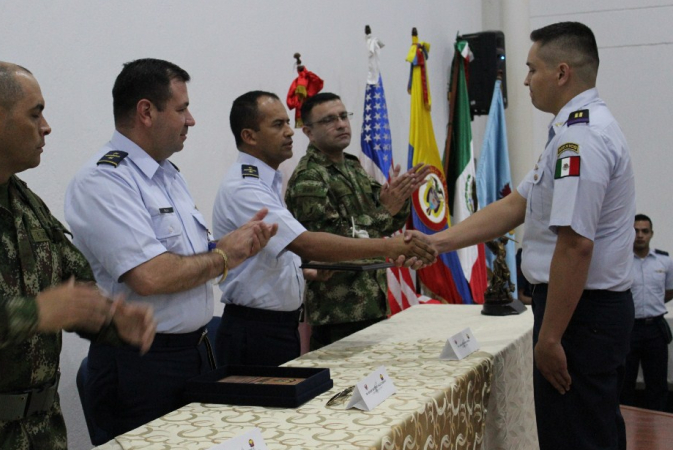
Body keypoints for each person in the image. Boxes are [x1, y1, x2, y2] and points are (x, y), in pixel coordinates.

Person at [0, 60, 156, 450]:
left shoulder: (28, 206)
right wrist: (36, 313)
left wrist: (114, 320)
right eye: (36, 113)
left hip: (42, 433)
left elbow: (73, 292)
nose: (46, 126)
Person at [426, 22, 635, 449]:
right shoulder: (569, 132)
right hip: (579, 310)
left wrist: (551, 336)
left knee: (578, 437)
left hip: (581, 315)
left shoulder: (581, 139)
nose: (524, 80)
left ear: (562, 73)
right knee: (585, 429)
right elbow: (514, 206)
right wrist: (438, 243)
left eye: (531, 69)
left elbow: (576, 245)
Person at [64, 59, 277, 441]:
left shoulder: (168, 175)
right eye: (182, 109)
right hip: (140, 367)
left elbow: (189, 256)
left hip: (194, 352)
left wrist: (232, 247)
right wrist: (224, 254)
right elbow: (150, 275)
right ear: (146, 111)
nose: (191, 120)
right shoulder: (104, 180)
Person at [212, 91, 433, 366]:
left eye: (343, 117)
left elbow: (278, 253)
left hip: (280, 324)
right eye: (278, 125)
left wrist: (306, 271)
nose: (289, 132)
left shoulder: (269, 181)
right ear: (249, 136)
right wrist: (391, 245)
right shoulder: (247, 186)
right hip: (275, 324)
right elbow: (308, 243)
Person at [285, 92, 424, 350]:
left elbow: (386, 222)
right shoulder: (309, 178)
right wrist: (384, 211)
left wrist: (399, 199)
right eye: (328, 120)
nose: (340, 124)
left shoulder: (352, 166)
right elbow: (328, 245)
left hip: (372, 303)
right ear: (308, 132)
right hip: (339, 312)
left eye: (343, 116)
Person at [621, 214, 673, 411]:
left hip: (655, 330)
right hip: (629, 330)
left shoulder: (664, 261)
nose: (640, 235)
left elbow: (668, 292)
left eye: (645, 231)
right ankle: (626, 427)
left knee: (657, 384)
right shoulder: (622, 261)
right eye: (635, 230)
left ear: (651, 234)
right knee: (625, 383)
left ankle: (659, 428)